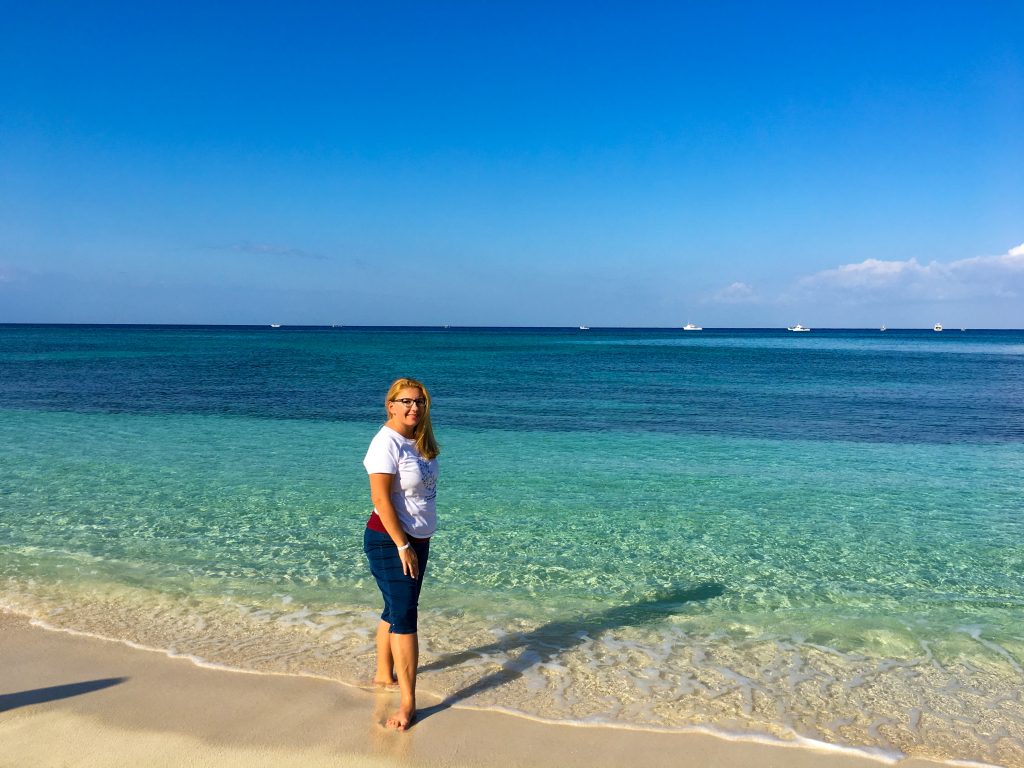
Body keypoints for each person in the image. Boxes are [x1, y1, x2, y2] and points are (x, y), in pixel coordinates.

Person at [362, 377, 440, 730]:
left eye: (420, 402)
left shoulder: (417, 441)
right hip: (391, 540)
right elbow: (380, 500)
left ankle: (383, 674)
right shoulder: (386, 443)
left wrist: (416, 540)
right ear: (390, 404)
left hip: (416, 539)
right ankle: (407, 704)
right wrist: (403, 545)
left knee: (395, 607)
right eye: (406, 401)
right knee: (406, 618)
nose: (414, 407)